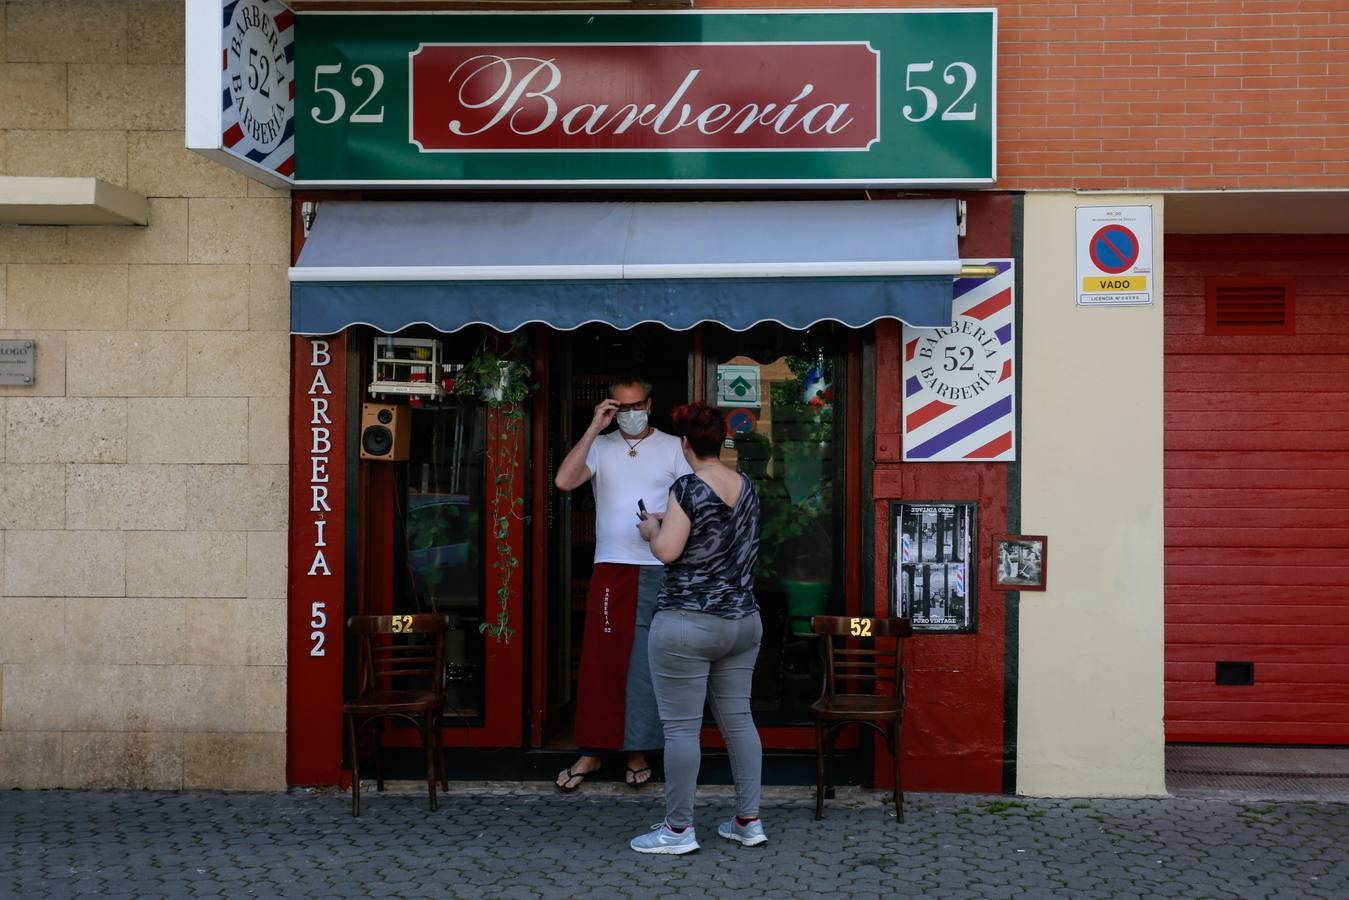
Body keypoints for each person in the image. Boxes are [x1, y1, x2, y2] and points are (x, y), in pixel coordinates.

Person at [629, 402, 765, 855]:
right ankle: (748, 821)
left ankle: (677, 830)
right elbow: (721, 537)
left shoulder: (686, 487)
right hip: (742, 621)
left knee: (682, 730)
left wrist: (651, 529)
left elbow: (668, 552)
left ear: (685, 443)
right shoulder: (746, 486)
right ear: (722, 440)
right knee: (740, 722)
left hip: (688, 622)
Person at [553, 376, 692, 792]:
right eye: (621, 407)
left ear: (650, 404)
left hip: (656, 564)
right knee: (601, 658)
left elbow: (692, 502)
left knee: (646, 662)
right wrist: (595, 426)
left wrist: (662, 522)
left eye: (636, 407)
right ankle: (592, 750)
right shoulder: (600, 444)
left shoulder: (672, 446)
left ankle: (637, 750)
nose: (628, 415)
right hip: (610, 564)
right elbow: (564, 481)